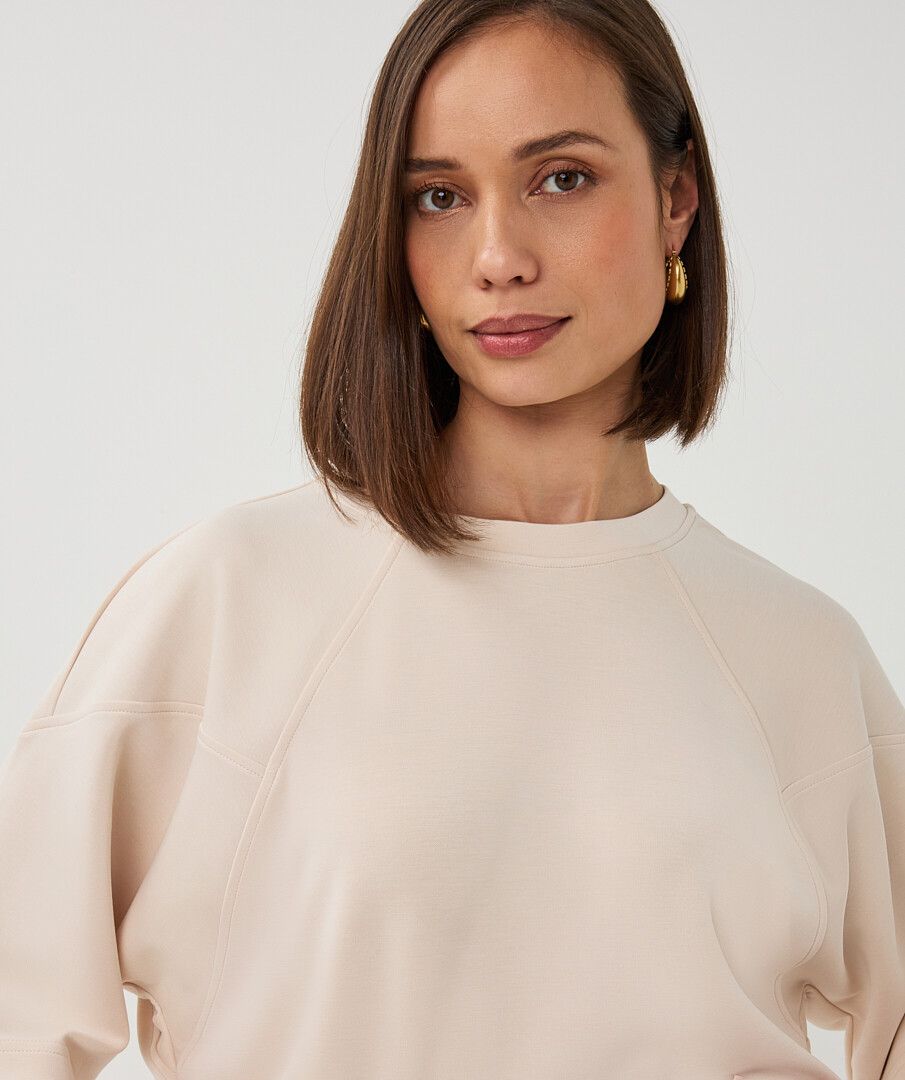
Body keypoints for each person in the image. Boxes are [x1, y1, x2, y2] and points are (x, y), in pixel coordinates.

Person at [1, 1, 903, 1078]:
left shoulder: (800, 654)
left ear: (675, 200)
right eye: (438, 196)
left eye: (560, 178)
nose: (497, 257)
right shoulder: (230, 601)